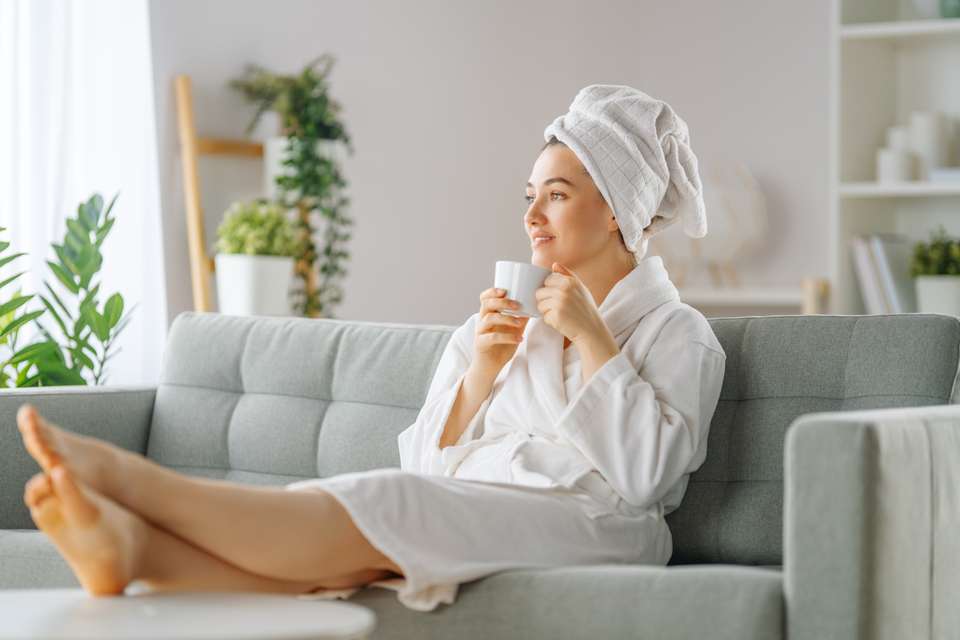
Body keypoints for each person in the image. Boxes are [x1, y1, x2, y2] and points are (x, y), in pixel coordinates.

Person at [16, 84, 726, 612]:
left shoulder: (678, 332)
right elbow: (423, 460)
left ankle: (139, 485)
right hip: (485, 501)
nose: (532, 216)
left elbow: (646, 479)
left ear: (617, 210)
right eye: (529, 196)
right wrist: (481, 372)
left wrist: (594, 340)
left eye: (558, 195)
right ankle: (137, 552)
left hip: (600, 527)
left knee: (393, 500)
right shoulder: (511, 316)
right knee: (366, 542)